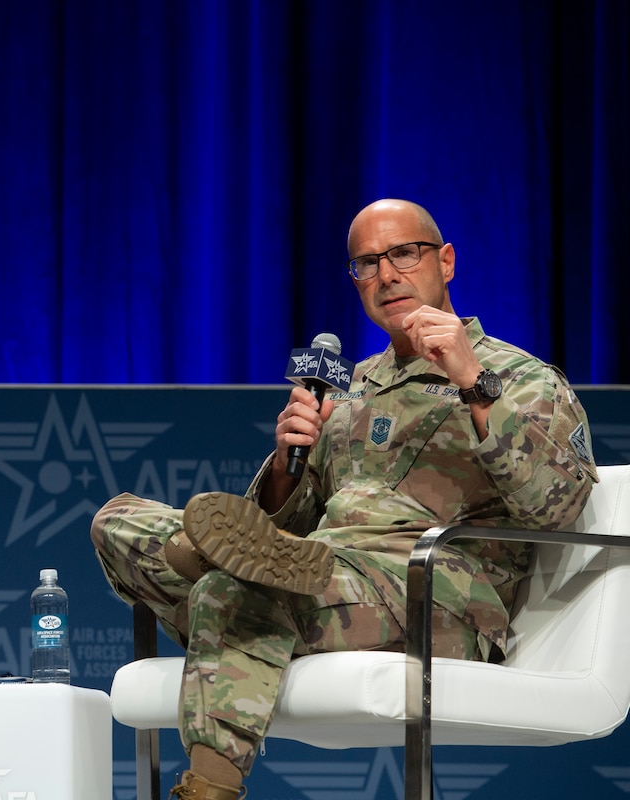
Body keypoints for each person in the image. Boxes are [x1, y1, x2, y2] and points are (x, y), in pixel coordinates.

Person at [90, 198, 597, 800]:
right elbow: (285, 526)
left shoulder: (518, 377)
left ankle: (207, 789)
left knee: (231, 589)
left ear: (448, 261)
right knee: (116, 523)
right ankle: (210, 557)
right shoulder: (351, 387)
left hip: (433, 592)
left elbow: (557, 507)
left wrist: (473, 385)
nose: (386, 275)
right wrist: (285, 467)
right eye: (366, 263)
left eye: (403, 253)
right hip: (328, 570)